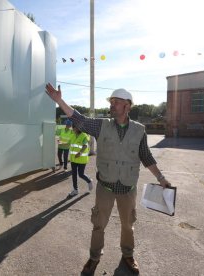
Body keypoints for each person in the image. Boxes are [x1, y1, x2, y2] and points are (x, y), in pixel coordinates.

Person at [45, 83, 171, 275]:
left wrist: (161, 178)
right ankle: (94, 257)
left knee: (128, 225)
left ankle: (128, 255)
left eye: (116, 102)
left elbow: (146, 156)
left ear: (127, 106)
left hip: (128, 189)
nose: (112, 105)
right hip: (105, 188)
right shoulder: (102, 125)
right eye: (111, 102)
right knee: (98, 225)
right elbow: (79, 119)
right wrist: (59, 101)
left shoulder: (139, 130)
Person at [67, 125, 93, 197]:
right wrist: (62, 143)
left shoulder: (84, 136)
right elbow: (69, 143)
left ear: (78, 128)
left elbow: (85, 146)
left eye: (74, 127)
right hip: (73, 159)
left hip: (81, 159)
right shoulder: (73, 135)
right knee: (74, 175)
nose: (73, 129)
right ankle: (75, 190)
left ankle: (89, 181)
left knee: (81, 174)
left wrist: (80, 152)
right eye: (73, 127)